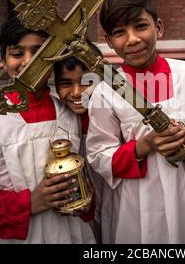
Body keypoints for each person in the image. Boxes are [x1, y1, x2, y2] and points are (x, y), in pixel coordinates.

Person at [85, 0, 185, 243]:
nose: (132, 39)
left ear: (159, 27)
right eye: (119, 32)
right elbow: (99, 155)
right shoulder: (105, 92)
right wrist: (143, 146)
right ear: (109, 41)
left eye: (140, 26)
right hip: (138, 200)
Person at [0, 17, 96, 244]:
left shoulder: (70, 114)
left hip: (71, 233)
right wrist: (28, 204)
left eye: (38, 51)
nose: (29, 61)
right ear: (4, 61)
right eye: (17, 54)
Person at [53, 41, 105, 243]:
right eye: (66, 83)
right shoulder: (56, 120)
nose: (76, 93)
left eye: (86, 82)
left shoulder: (114, 116)